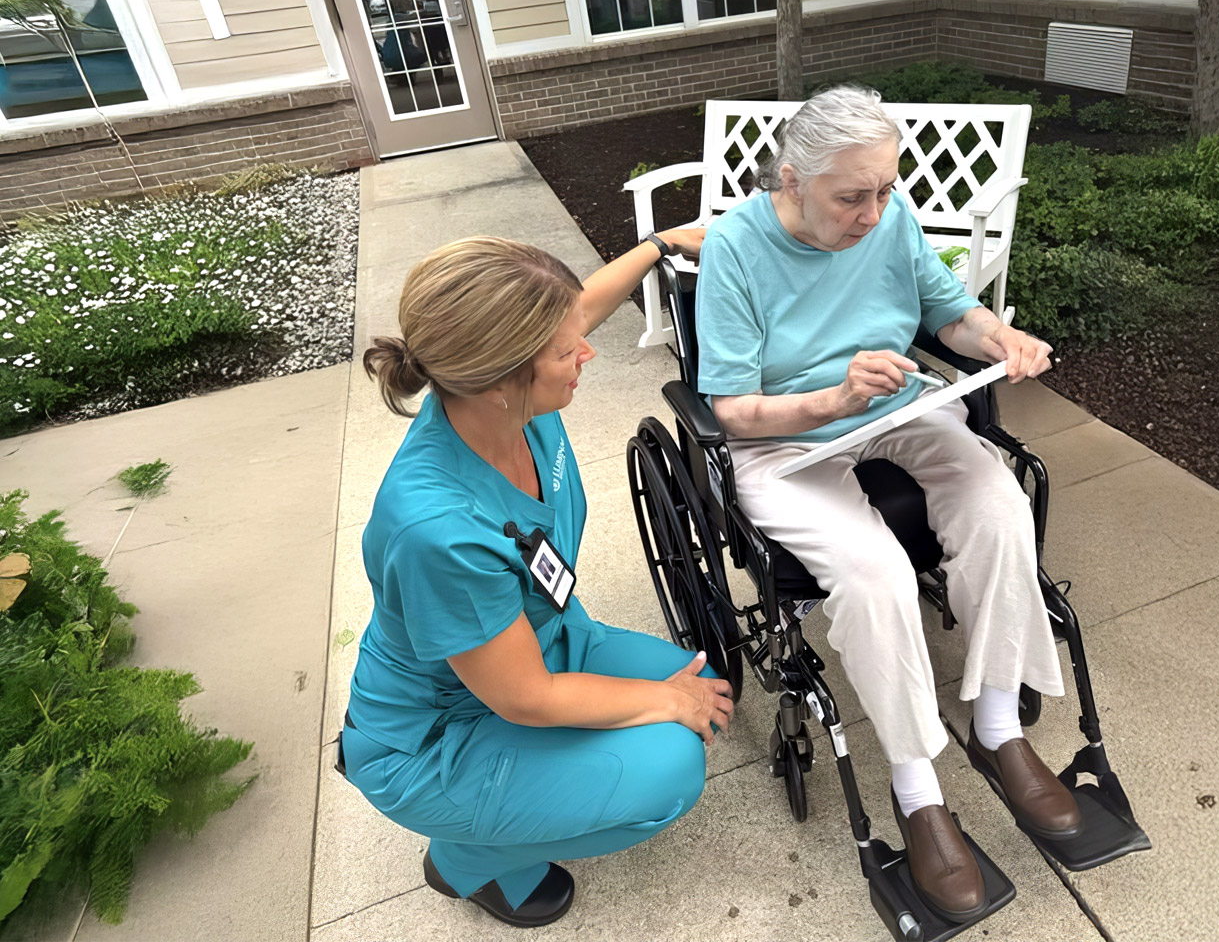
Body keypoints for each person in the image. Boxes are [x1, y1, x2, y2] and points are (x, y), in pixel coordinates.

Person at [695, 85, 1081, 921]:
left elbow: (949, 314)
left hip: (896, 408)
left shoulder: (889, 215)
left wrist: (998, 338)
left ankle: (997, 727)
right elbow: (729, 409)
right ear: (791, 181)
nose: (874, 212)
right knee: (873, 573)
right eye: (852, 196)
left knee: (999, 505)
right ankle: (916, 786)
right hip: (788, 439)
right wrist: (829, 402)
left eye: (885, 189)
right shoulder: (733, 248)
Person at [341, 228, 732, 929]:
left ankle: (503, 813)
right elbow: (525, 697)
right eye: (565, 351)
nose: (586, 354)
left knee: (696, 677)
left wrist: (656, 246)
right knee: (670, 768)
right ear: (499, 376)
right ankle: (463, 859)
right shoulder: (437, 528)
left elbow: (580, 308)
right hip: (440, 730)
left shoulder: (503, 401)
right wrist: (661, 704)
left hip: (541, 637)